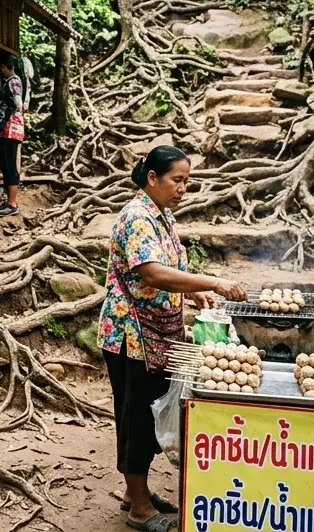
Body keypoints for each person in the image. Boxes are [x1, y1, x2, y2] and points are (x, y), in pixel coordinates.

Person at [99, 146, 247, 532]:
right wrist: (212, 282)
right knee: (135, 417)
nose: (183, 188)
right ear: (152, 178)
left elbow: (170, 270)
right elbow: (151, 273)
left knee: (151, 414)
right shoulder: (137, 216)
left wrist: (192, 292)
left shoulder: (161, 214)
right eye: (177, 180)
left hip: (159, 332)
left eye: (187, 181)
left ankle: (137, 492)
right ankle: (138, 510)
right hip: (131, 336)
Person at [0, 55, 25, 217]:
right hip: (4, 129)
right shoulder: (10, 82)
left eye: (3, 68)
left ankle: (12, 203)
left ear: (8, 67)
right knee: (4, 166)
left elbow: (17, 103)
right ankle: (9, 202)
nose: (1, 71)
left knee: (10, 166)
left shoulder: (14, 81)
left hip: (12, 127)